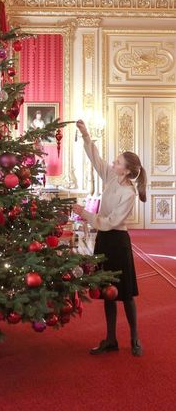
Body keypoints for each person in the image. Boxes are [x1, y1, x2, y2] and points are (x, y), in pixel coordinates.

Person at [72, 119, 146, 357]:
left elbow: (111, 222)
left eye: (117, 162)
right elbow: (95, 158)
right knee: (107, 291)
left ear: (125, 170)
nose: (112, 163)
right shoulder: (112, 178)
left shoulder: (129, 192)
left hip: (118, 242)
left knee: (125, 294)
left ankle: (135, 339)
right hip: (103, 240)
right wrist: (85, 134)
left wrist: (84, 213)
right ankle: (111, 339)